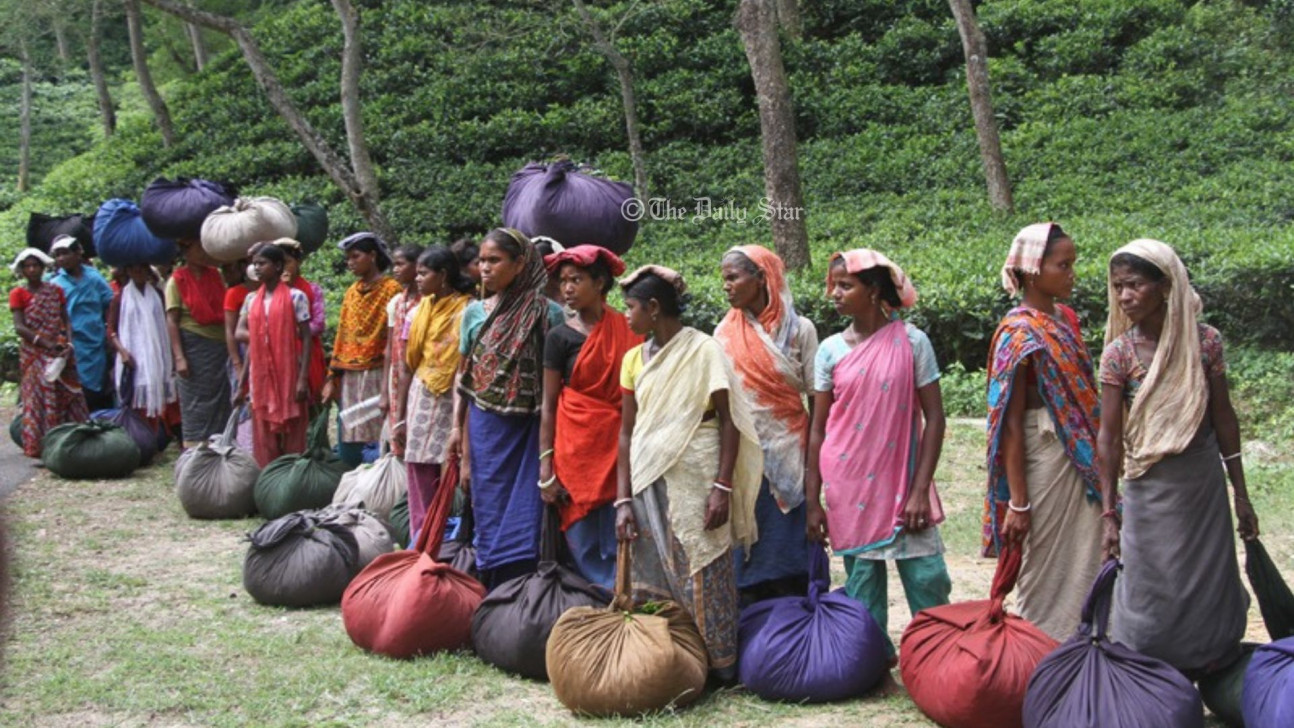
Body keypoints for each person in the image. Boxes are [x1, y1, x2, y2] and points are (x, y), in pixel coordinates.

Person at [1098, 239, 1257, 678]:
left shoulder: (1204, 344)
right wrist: (1109, 512)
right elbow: (1109, 438)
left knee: (1207, 577)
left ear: (1166, 286)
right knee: (1150, 584)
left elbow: (1223, 418)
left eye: (1134, 285)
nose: (1125, 296)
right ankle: (1147, 669)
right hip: (1148, 487)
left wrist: (1240, 493)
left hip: (1201, 484)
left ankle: (1212, 663)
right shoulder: (1119, 354)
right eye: (1118, 287)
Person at [614, 266, 762, 683]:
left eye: (631, 308)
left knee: (703, 561)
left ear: (654, 308)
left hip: (698, 472)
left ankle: (717, 665)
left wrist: (722, 486)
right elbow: (627, 432)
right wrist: (622, 500)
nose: (626, 316)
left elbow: (729, 423)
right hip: (647, 476)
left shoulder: (704, 350)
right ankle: (667, 662)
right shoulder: (632, 359)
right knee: (654, 565)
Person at [805, 249, 951, 667]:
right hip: (848, 482)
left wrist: (921, 489)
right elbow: (818, 430)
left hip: (904, 482)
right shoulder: (830, 351)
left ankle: (934, 660)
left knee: (928, 576)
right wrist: (813, 501)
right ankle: (872, 662)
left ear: (872, 291)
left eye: (845, 285)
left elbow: (935, 417)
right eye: (834, 285)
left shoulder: (911, 341)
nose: (834, 293)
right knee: (863, 580)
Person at [982, 223, 1103, 641]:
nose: (1072, 273)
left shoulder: (1064, 318)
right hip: (1044, 454)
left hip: (1081, 456)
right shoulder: (1018, 333)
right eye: (1063, 265)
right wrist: (1018, 501)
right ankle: (1042, 645)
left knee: (1088, 552)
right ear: (1033, 270)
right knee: (1047, 559)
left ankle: (1084, 642)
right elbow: (1010, 422)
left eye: (1073, 264)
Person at [448, 228, 565, 589]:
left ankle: (523, 588)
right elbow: (464, 380)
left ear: (520, 264)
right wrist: (458, 434)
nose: (485, 268)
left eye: (494, 260)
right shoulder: (473, 314)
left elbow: (557, 385)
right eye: (482, 260)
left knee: (528, 510)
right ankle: (491, 583)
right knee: (487, 503)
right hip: (484, 429)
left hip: (531, 429)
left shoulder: (549, 315)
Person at [714, 246, 817, 603]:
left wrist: (817, 460)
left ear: (761, 277)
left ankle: (797, 625)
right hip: (744, 455)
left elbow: (818, 401)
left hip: (792, 452)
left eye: (733, 277)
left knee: (791, 552)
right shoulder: (723, 334)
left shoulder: (800, 331)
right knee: (749, 552)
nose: (726, 286)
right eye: (724, 278)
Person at [538, 245, 640, 590]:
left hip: (622, 444)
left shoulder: (630, 330)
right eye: (563, 281)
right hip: (575, 448)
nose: (567, 288)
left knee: (621, 524)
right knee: (581, 534)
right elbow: (548, 405)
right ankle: (591, 598)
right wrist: (545, 467)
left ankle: (623, 594)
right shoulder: (558, 337)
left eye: (576, 280)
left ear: (600, 283)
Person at [396, 246, 474, 540]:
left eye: (424, 273)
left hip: (457, 396)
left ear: (443, 275)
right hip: (422, 392)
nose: (417, 279)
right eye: (416, 273)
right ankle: (422, 536)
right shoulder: (417, 312)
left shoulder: (468, 310)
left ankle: (454, 538)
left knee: (455, 466)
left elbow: (467, 364)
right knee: (418, 465)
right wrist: (400, 416)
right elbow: (406, 366)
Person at [324, 233, 402, 468]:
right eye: (348, 258)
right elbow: (343, 334)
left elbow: (394, 335)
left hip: (380, 368)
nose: (350, 263)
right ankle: (352, 476)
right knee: (350, 427)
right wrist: (332, 376)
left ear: (373, 256)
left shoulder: (392, 289)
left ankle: (378, 478)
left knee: (378, 426)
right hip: (350, 372)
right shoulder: (351, 292)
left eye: (355, 256)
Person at [234, 244, 312, 467]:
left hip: (288, 373)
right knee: (263, 430)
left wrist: (302, 378)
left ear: (277, 266)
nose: (256, 268)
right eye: (254, 264)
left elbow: (306, 338)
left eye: (262, 263)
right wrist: (241, 385)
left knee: (293, 429)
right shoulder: (252, 300)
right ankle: (268, 476)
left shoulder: (296, 297)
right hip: (261, 376)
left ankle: (291, 476)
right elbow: (254, 346)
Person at [9, 248, 87, 457]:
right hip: (34, 354)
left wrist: (68, 342)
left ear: (43, 268)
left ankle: (67, 442)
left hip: (59, 352)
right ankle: (41, 445)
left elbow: (65, 319)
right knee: (37, 399)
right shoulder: (18, 294)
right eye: (28, 266)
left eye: (36, 265)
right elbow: (20, 327)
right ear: (22, 270)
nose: (32, 269)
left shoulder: (55, 291)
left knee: (67, 394)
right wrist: (44, 343)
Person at [165, 239, 230, 448]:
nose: (203, 253)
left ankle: (220, 445)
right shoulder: (177, 281)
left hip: (219, 348)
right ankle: (195, 449)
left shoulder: (216, 276)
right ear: (185, 251)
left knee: (222, 400)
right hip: (193, 347)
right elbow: (172, 320)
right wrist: (179, 357)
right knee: (195, 402)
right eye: (197, 248)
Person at [107, 263, 177, 427]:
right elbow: (111, 329)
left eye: (141, 267)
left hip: (157, 356)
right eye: (133, 268)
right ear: (128, 271)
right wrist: (122, 352)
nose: (137, 271)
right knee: (136, 403)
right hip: (132, 359)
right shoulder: (120, 298)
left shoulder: (158, 295)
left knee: (160, 400)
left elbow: (167, 324)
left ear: (148, 270)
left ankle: (156, 438)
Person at [49, 236, 114, 412]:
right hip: (72, 344)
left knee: (100, 386)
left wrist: (110, 332)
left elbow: (110, 304)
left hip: (96, 342)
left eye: (65, 253)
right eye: (57, 255)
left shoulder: (94, 277)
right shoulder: (55, 284)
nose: (61, 258)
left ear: (78, 253)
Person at [381, 244, 424, 457]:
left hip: (419, 376)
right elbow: (389, 348)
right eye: (394, 265)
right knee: (397, 432)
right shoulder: (396, 303)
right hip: (397, 376)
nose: (395, 270)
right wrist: (384, 392)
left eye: (401, 264)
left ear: (417, 266)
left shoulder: (427, 303)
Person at [280, 240, 327, 404]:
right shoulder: (269, 292)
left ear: (298, 262)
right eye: (279, 263)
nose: (284, 268)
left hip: (307, 352)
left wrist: (288, 331)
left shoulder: (312, 289)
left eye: (287, 262)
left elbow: (318, 324)